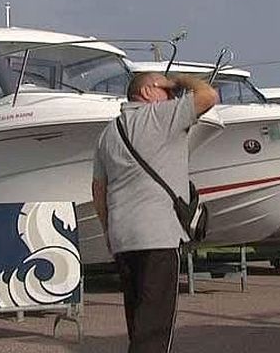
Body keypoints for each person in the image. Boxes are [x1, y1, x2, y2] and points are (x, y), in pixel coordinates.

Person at [92, 72, 218, 353]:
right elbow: (208, 95)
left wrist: (107, 230)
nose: (172, 97)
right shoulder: (161, 117)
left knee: (139, 323)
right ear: (148, 92)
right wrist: (177, 80)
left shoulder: (108, 133)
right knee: (154, 330)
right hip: (158, 237)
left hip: (123, 239)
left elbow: (98, 189)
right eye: (165, 90)